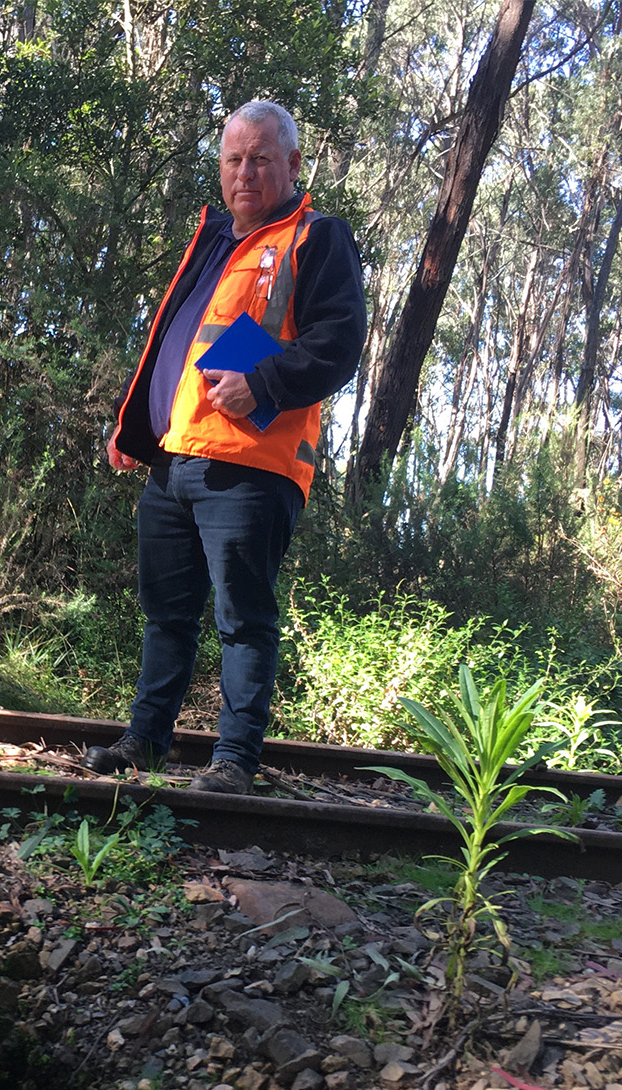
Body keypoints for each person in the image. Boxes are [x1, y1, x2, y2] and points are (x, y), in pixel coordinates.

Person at [83, 99, 367, 794]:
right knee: (165, 615)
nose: (246, 172)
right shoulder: (211, 239)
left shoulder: (317, 237)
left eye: (261, 158)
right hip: (175, 461)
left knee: (243, 618)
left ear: (294, 165)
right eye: (234, 159)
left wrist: (264, 381)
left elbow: (340, 344)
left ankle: (234, 761)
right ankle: (146, 741)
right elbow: (172, 348)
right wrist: (134, 427)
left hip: (250, 469)